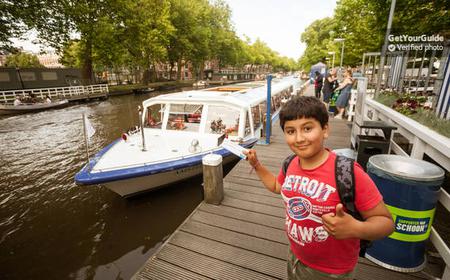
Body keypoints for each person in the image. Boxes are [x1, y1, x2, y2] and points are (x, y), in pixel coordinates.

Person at [243, 96, 394, 280]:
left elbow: (386, 223)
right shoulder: (291, 163)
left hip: (331, 271)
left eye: (307, 128)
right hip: (295, 256)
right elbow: (277, 186)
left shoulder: (348, 173)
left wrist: (355, 228)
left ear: (325, 130)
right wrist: (257, 165)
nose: (299, 138)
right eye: (291, 131)